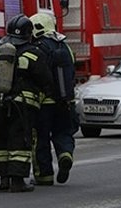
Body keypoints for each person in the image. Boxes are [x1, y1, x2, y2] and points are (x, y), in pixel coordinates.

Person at [0, 14, 53, 192]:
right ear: (29, 34)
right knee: (19, 141)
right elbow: (45, 79)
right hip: (22, 106)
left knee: (1, 141)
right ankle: (18, 181)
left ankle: (4, 180)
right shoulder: (34, 54)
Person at [28, 13, 79, 186]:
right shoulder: (65, 47)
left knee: (40, 138)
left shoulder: (38, 48)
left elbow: (35, 75)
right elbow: (72, 73)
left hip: (44, 103)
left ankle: (44, 175)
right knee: (63, 132)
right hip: (66, 101)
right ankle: (65, 154)